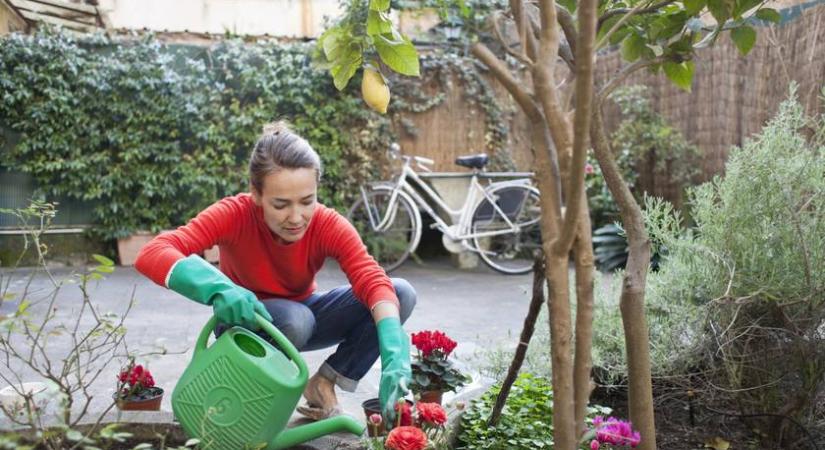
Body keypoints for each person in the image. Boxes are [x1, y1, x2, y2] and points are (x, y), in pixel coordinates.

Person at [134, 121, 415, 422]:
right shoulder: (234, 214)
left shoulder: (326, 224)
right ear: (256, 193)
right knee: (297, 320)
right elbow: (153, 252)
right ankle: (245, 400)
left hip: (302, 317)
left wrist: (393, 347)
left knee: (399, 293)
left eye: (307, 201)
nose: (296, 217)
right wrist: (218, 288)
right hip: (244, 321)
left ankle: (323, 383)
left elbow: (371, 278)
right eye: (280, 205)